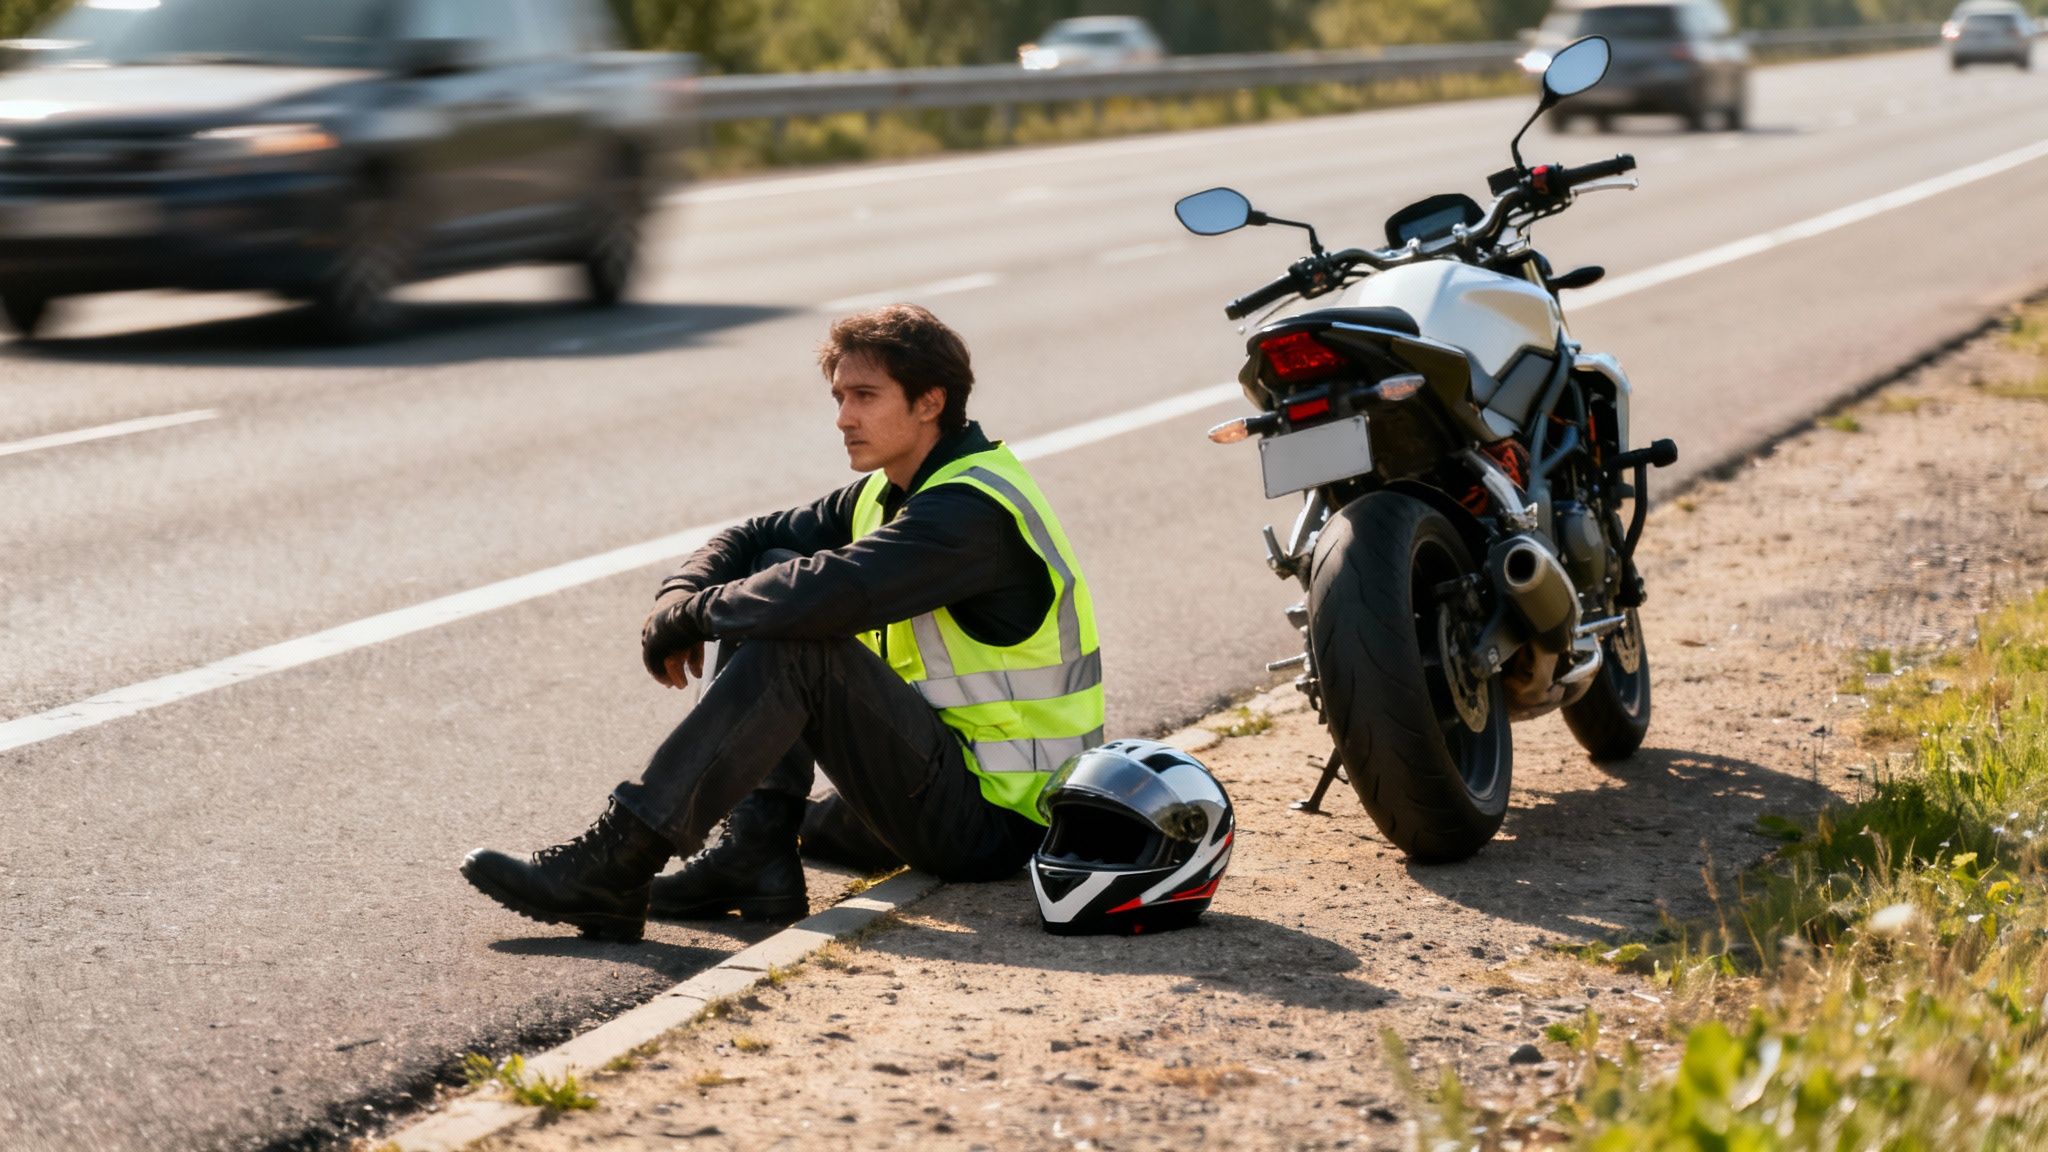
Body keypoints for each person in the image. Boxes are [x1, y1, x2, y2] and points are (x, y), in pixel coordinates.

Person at [460, 304, 1105, 942]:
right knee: (772, 569)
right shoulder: (888, 493)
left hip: (1004, 822)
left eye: (864, 396)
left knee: (797, 631)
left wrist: (695, 617)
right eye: (839, 396)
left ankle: (620, 857)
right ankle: (755, 854)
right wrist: (679, 595)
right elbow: (752, 536)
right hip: (942, 775)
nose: (843, 418)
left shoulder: (970, 514)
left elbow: (829, 592)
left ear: (931, 401)